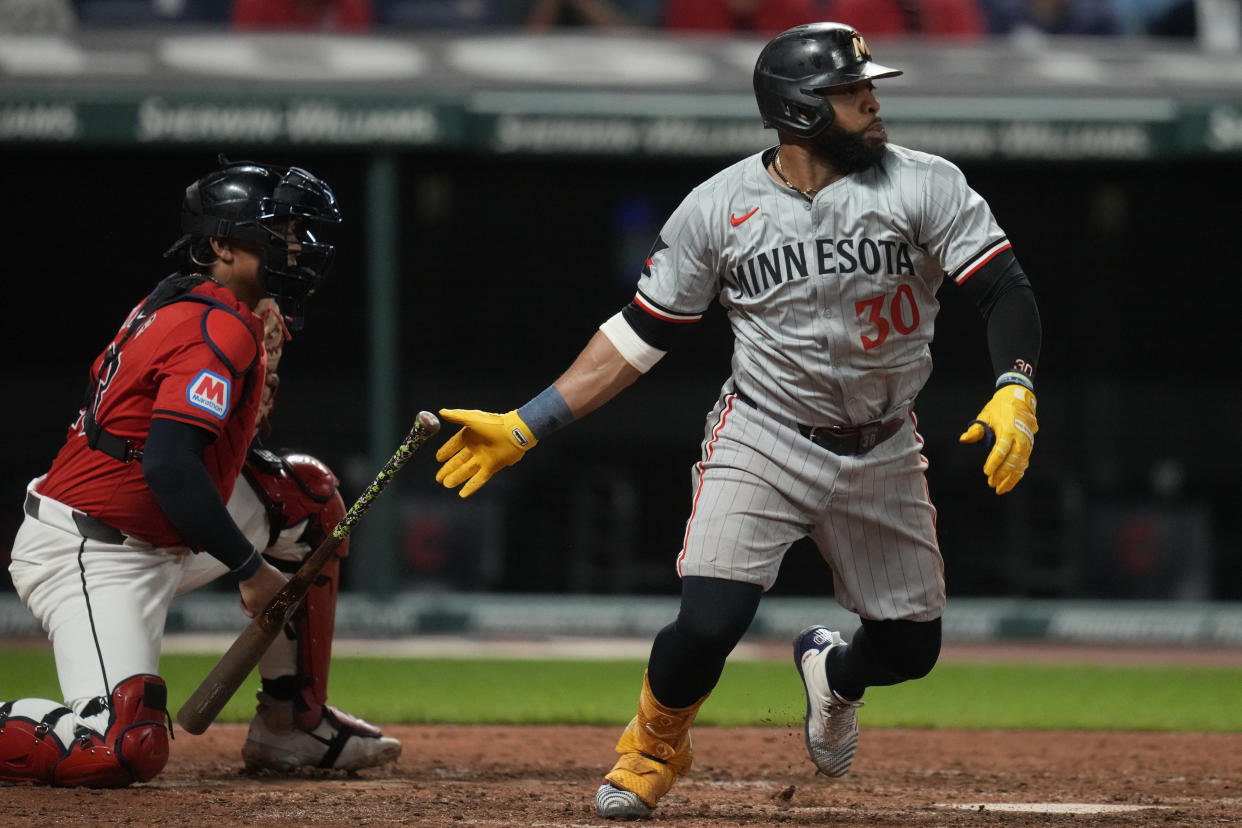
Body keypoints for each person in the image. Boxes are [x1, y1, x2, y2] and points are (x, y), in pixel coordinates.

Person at [433, 21, 1042, 820]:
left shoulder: (925, 184)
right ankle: (650, 749)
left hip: (885, 442)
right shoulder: (717, 207)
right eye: (851, 92)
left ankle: (835, 676)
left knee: (910, 650)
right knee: (708, 621)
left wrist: (1015, 386)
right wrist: (527, 424)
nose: (872, 101)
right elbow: (639, 333)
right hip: (764, 433)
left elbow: (1005, 291)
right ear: (799, 112)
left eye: (867, 87)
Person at [0, 159, 400, 787]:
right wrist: (250, 570)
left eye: (296, 232)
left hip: (157, 527)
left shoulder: (185, 300)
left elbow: (190, 459)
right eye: (277, 232)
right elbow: (169, 467)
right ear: (220, 243)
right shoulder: (217, 323)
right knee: (122, 746)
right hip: (94, 549)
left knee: (303, 498)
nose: (296, 247)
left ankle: (292, 726)